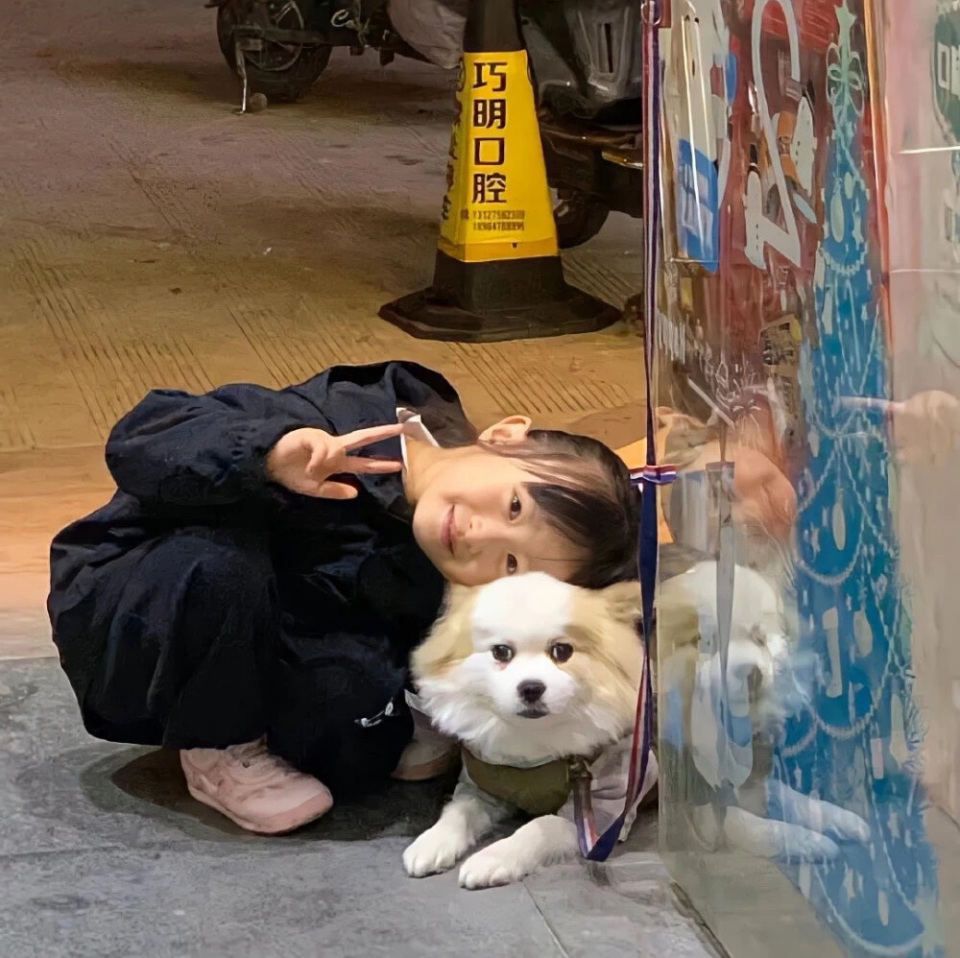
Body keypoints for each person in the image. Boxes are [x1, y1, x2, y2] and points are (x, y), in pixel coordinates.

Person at [48, 361, 638, 836]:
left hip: (286, 620)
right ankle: (218, 741)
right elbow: (143, 436)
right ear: (505, 436)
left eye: (510, 564)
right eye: (513, 506)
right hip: (140, 602)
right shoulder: (347, 413)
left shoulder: (449, 567)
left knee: (360, 736)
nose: (479, 535)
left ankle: (309, 717)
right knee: (221, 567)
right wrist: (266, 454)